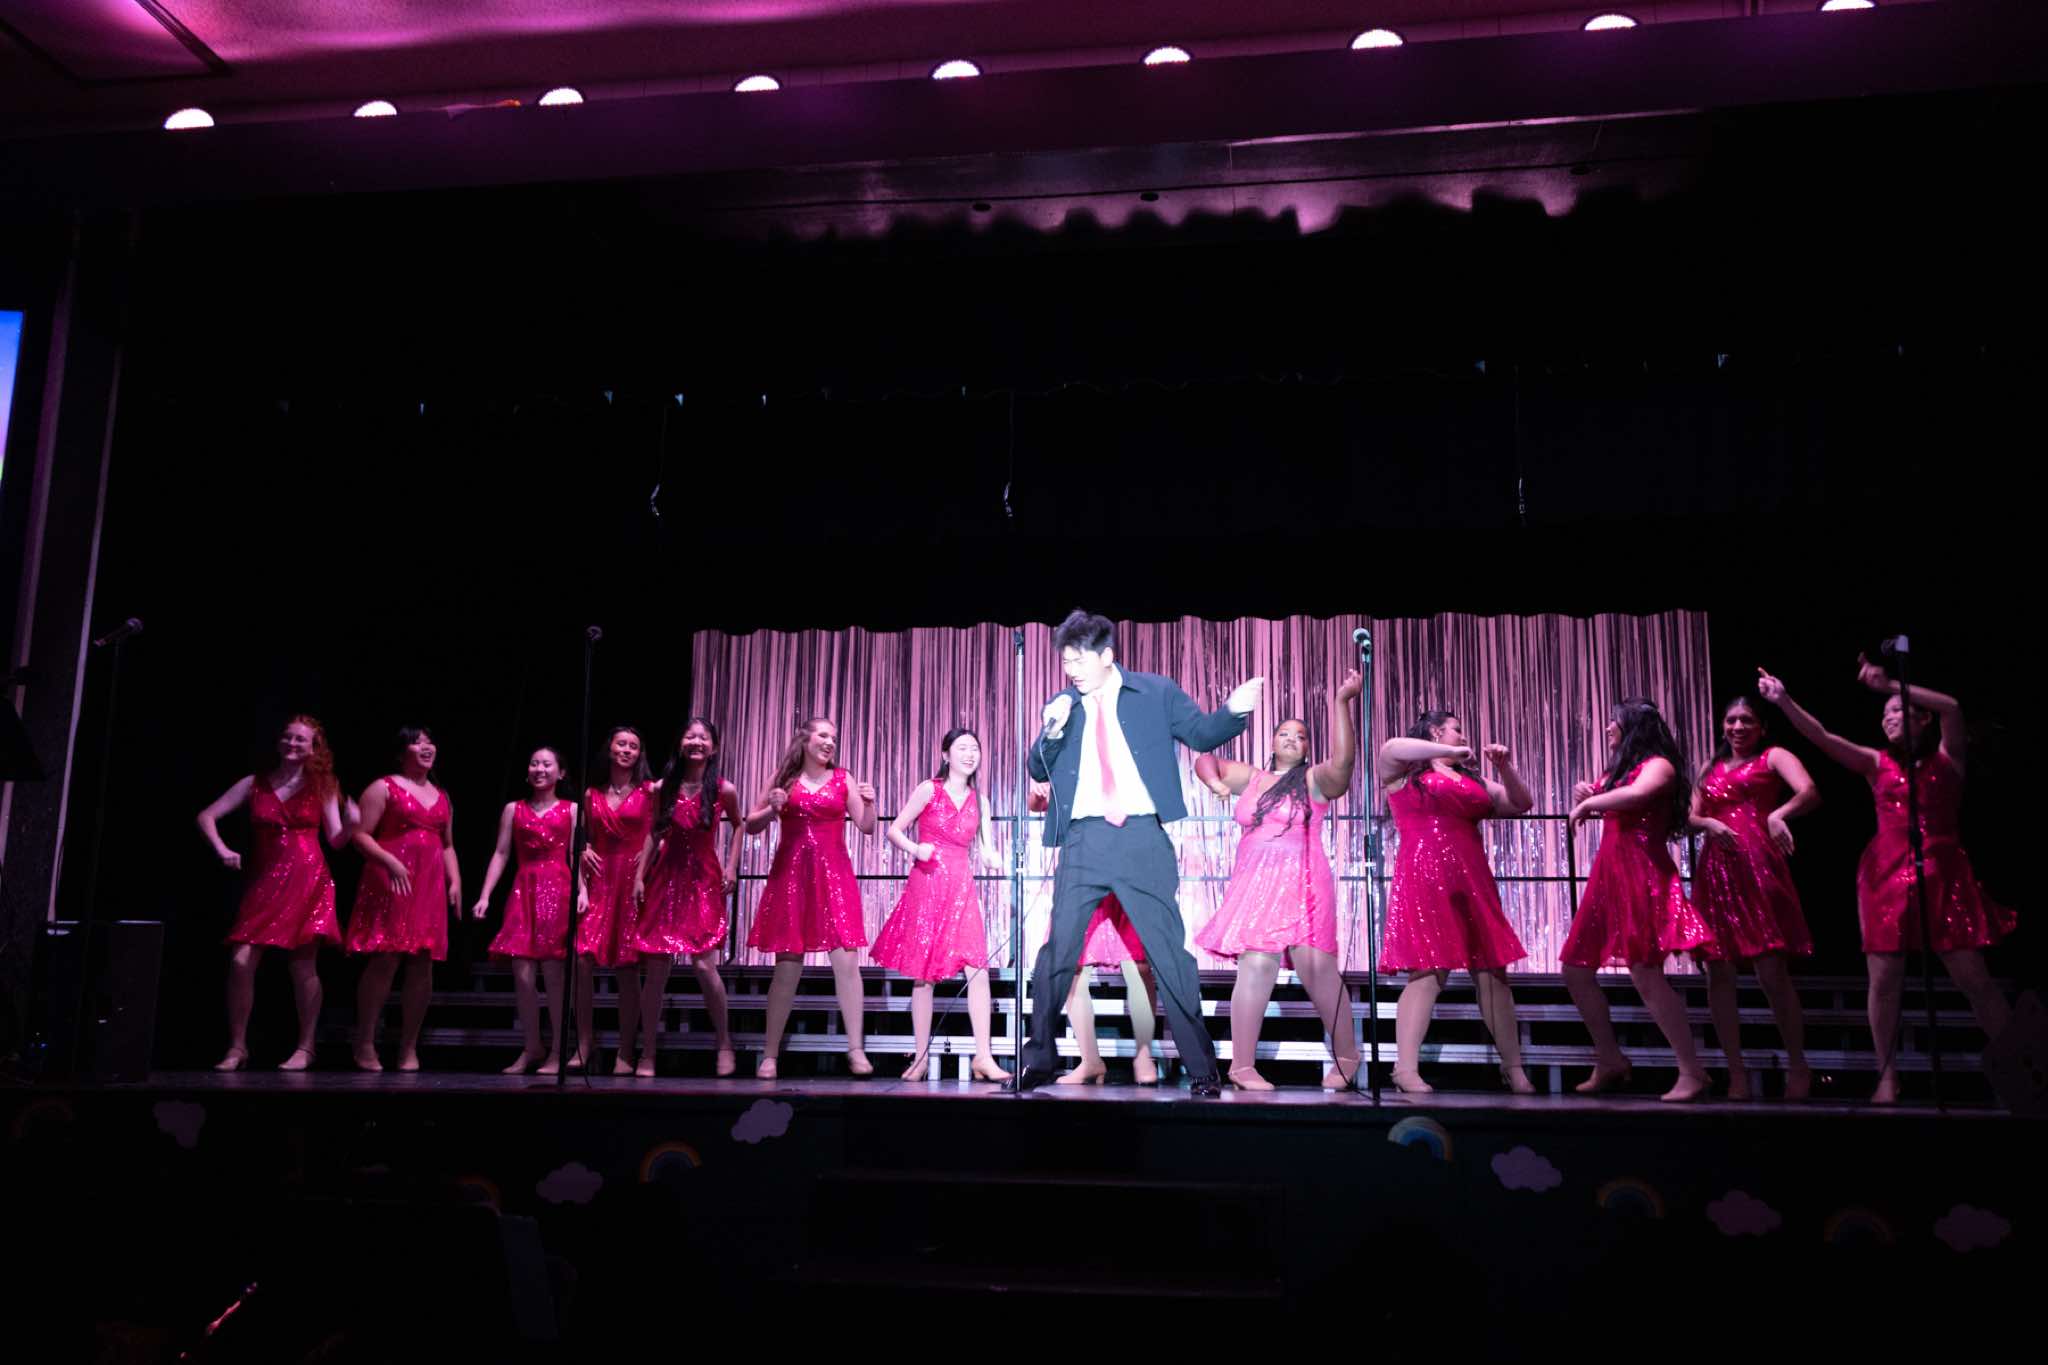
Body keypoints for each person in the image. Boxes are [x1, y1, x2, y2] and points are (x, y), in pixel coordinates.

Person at [1014, 610, 1262, 1099]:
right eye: (1066, 663)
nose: (1072, 671)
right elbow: (1037, 768)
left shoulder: (1155, 692)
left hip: (1142, 838)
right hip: (1083, 840)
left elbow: (1202, 734)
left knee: (1168, 955)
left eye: (1079, 661)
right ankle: (1039, 1059)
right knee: (1057, 953)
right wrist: (1052, 731)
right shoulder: (1064, 704)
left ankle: (1203, 1069)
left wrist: (1234, 710)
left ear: (1106, 655)